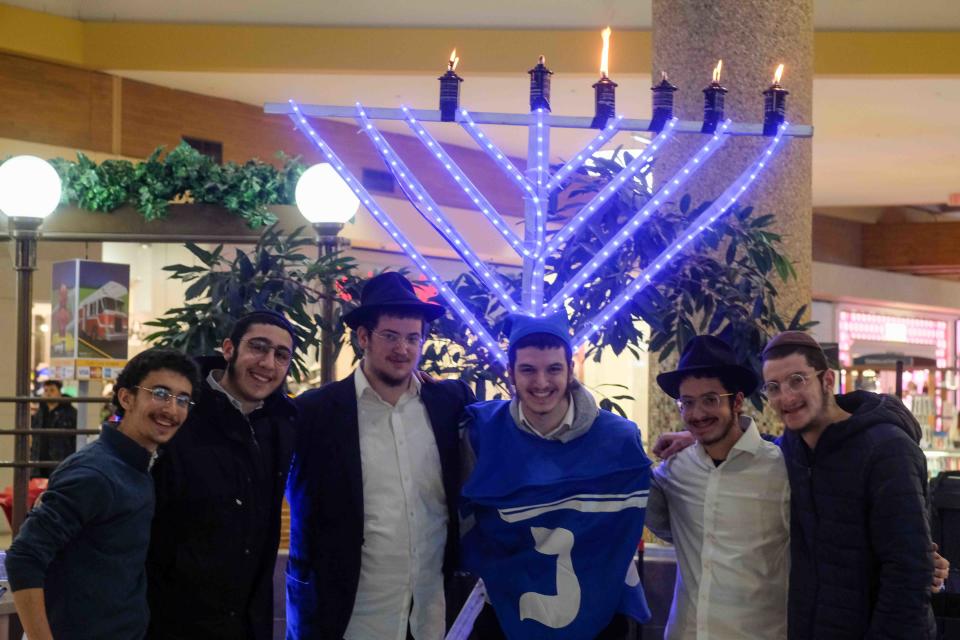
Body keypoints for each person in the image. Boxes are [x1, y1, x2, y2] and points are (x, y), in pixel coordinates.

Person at [287, 272, 475, 639]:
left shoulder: (449, 403)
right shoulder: (316, 411)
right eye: (390, 336)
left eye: (412, 338)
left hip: (430, 612)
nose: (402, 349)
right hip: (347, 615)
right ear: (363, 338)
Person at [460, 313, 652, 639]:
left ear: (570, 370)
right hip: (505, 610)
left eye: (553, 369)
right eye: (528, 370)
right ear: (511, 373)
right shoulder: (480, 433)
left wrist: (693, 442)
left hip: (601, 613)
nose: (541, 383)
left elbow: (649, 506)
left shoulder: (619, 438)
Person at [6, 348, 199, 640]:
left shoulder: (136, 466)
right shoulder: (96, 473)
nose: (172, 410)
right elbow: (24, 557)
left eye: (182, 400)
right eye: (160, 393)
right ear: (126, 398)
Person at [760, 330, 938, 638]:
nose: (786, 397)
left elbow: (909, 570)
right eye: (774, 387)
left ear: (827, 380)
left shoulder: (886, 449)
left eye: (797, 380)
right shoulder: (790, 449)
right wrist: (698, 440)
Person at [146, 310, 300, 639]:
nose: (268, 363)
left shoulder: (283, 422)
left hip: (245, 620)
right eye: (258, 347)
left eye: (281, 355)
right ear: (229, 349)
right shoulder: (178, 411)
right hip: (171, 618)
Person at [645, 335, 789, 639]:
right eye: (688, 403)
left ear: (736, 401)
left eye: (710, 400)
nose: (697, 414)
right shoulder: (675, 469)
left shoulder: (780, 469)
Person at [30, 379, 78, 478]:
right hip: (39, 465)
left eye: (52, 390)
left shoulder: (71, 413)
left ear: (60, 393)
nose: (48, 394)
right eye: (46, 390)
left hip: (61, 463)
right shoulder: (40, 413)